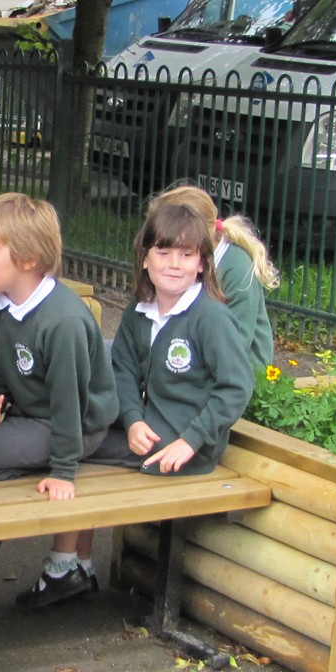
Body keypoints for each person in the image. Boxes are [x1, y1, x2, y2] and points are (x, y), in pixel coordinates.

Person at [0, 193, 119, 624]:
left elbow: (68, 405)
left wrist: (62, 471)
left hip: (74, 422)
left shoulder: (62, 321)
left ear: (27, 258)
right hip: (29, 415)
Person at [91, 201, 255, 477]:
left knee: (71, 442)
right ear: (145, 258)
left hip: (186, 447)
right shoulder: (139, 310)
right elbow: (123, 371)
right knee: (77, 428)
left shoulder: (211, 317)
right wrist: (132, 421)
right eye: (163, 252)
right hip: (148, 430)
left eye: (186, 255)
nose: (174, 265)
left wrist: (191, 441)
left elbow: (235, 388)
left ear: (201, 263)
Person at [149, 182, 278, 369]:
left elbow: (235, 345)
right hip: (184, 357)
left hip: (238, 373)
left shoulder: (237, 268)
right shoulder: (179, 263)